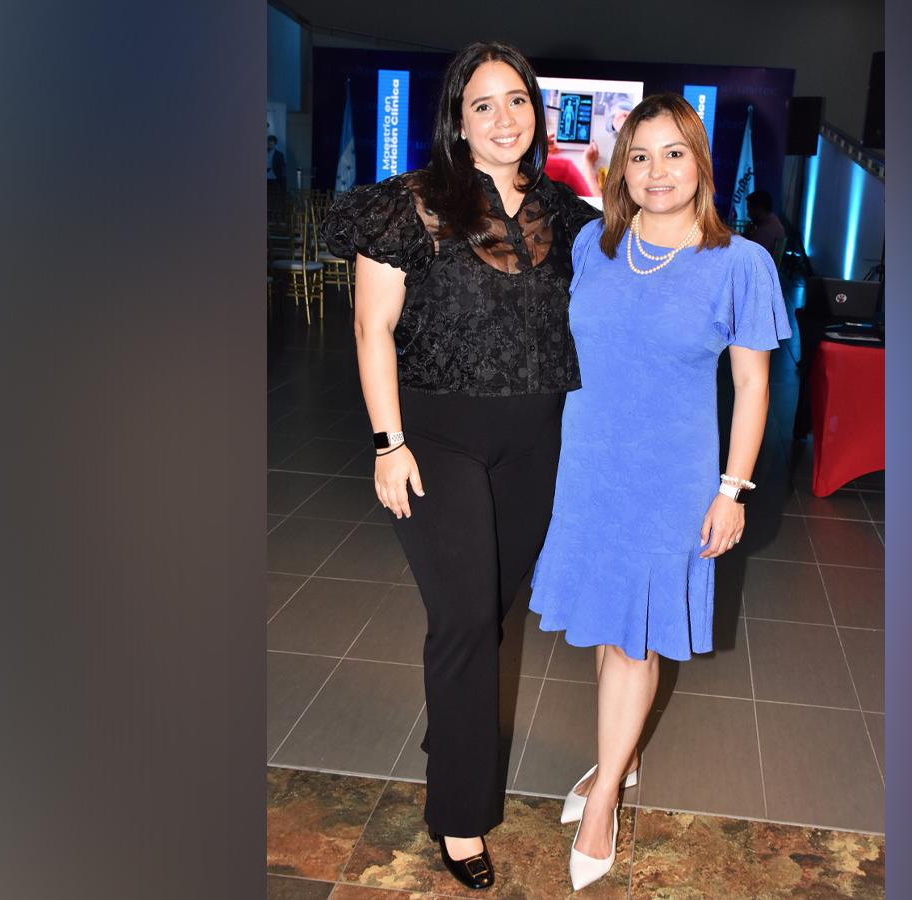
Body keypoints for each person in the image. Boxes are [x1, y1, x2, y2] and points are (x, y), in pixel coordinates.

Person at [321, 41, 599, 892]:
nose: (503, 118)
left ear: (536, 112)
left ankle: (456, 732)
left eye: (516, 100)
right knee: (466, 619)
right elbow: (371, 331)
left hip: (536, 442)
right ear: (457, 120)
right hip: (432, 436)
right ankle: (460, 816)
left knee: (488, 611)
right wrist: (387, 444)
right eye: (483, 104)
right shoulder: (406, 207)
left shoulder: (570, 214)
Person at [528, 93, 792, 891]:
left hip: (672, 480)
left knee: (637, 639)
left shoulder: (739, 263)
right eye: (640, 155)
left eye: (675, 152)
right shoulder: (591, 245)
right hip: (590, 468)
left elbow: (752, 389)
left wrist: (732, 491)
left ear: (701, 164)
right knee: (613, 629)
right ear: (620, 169)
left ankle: (606, 790)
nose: (657, 170)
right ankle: (624, 755)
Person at [744, 188, 786, 263]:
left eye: (750, 210)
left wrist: (745, 236)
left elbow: (747, 257)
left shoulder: (764, 232)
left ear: (759, 209)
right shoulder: (774, 223)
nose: (748, 215)